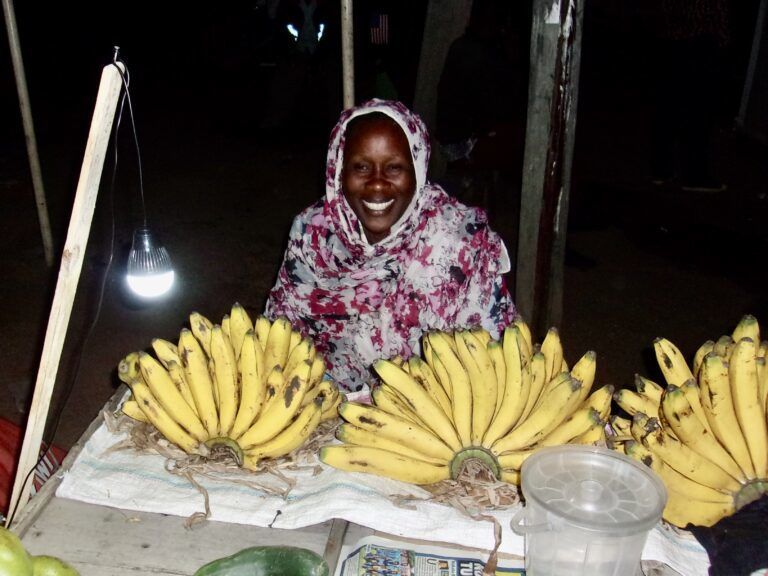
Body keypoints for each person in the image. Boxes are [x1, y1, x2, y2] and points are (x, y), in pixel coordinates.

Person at [265, 100, 516, 393]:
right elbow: (279, 339)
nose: (377, 185)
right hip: (323, 406)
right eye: (361, 167)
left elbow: (493, 362)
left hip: (437, 416)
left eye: (394, 168)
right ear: (338, 171)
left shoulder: (461, 244)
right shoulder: (312, 234)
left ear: (418, 170)